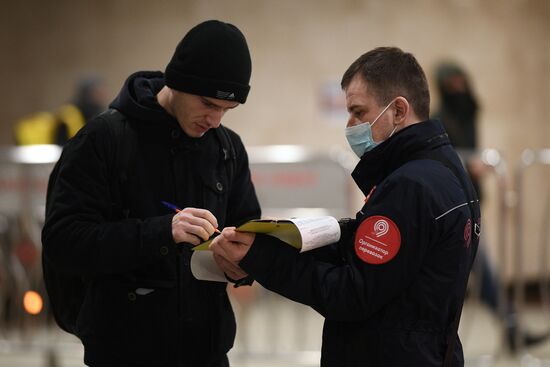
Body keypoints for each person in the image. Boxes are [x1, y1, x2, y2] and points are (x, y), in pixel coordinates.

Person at [209, 47, 481, 366]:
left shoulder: (409, 186)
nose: (350, 125)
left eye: (358, 112)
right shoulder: (447, 167)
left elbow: (351, 295)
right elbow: (395, 263)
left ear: (398, 110)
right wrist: (289, 238)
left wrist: (260, 257)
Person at [42, 20, 260, 367]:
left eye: (227, 110)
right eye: (207, 103)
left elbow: (247, 224)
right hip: (123, 351)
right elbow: (63, 242)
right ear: (177, 83)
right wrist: (162, 232)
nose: (215, 120)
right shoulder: (102, 140)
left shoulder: (226, 148)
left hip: (207, 351)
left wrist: (242, 263)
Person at [435, 61, 550, 352]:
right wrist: (468, 164)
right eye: (453, 83)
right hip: (453, 207)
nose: (459, 88)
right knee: (480, 271)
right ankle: (511, 326)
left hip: (471, 202)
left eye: (461, 81)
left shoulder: (469, 112)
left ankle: (509, 327)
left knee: (479, 272)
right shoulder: (442, 117)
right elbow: (446, 158)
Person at [14, 75, 108, 146]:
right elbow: (62, 148)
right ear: (87, 94)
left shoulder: (90, 115)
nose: (102, 98)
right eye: (97, 93)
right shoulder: (68, 116)